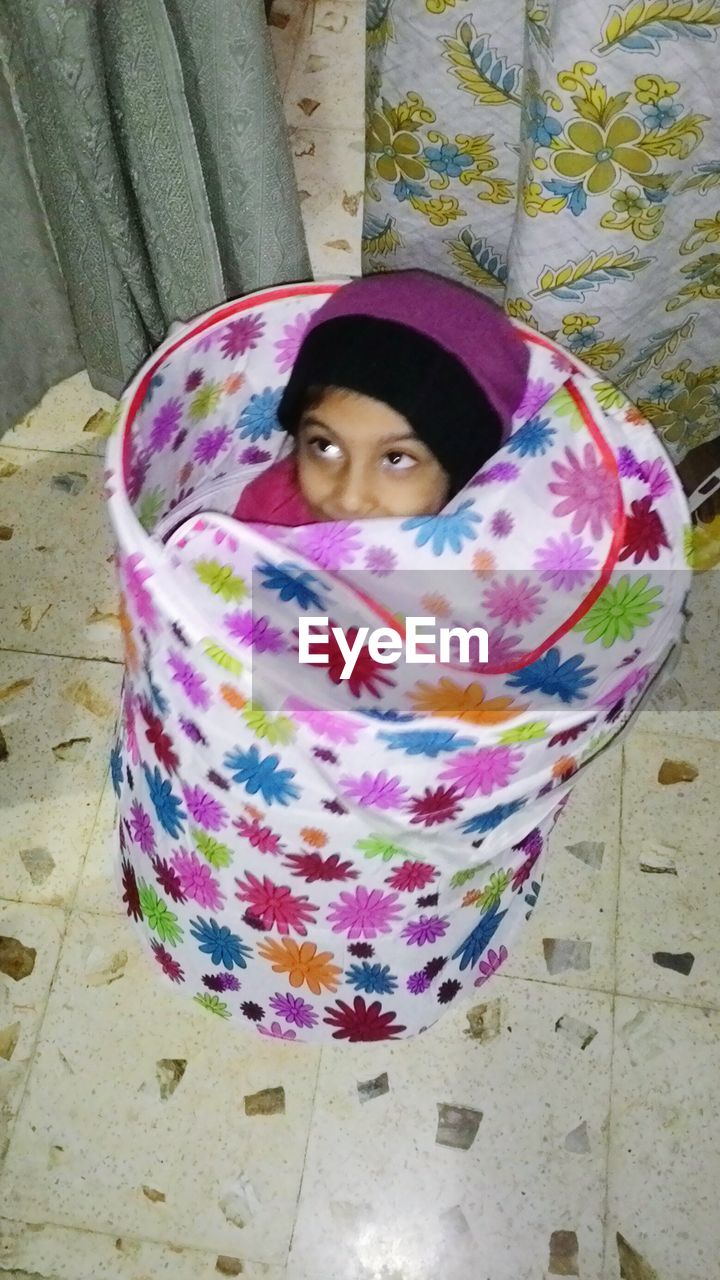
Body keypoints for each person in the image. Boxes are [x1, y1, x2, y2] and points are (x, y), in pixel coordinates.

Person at [233, 269, 530, 525]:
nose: (350, 500)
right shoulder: (267, 516)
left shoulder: (492, 565)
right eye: (325, 446)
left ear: (464, 478)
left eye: (396, 458)